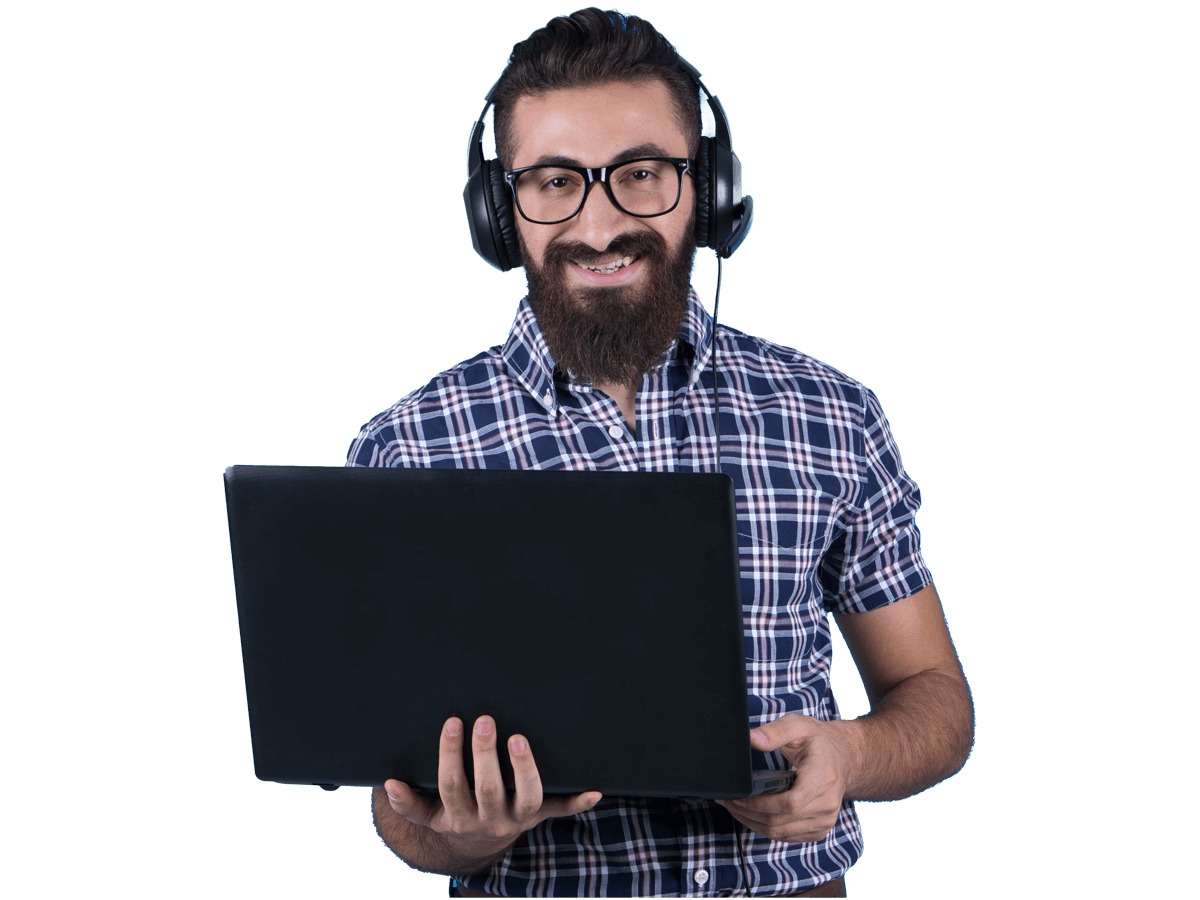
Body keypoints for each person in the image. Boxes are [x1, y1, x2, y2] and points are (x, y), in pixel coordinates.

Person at [349, 9, 974, 898]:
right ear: (499, 212)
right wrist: (461, 836)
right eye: (555, 181)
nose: (601, 224)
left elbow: (936, 700)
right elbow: (401, 819)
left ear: (710, 189)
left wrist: (853, 753)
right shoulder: (406, 446)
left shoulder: (832, 412)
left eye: (642, 174)